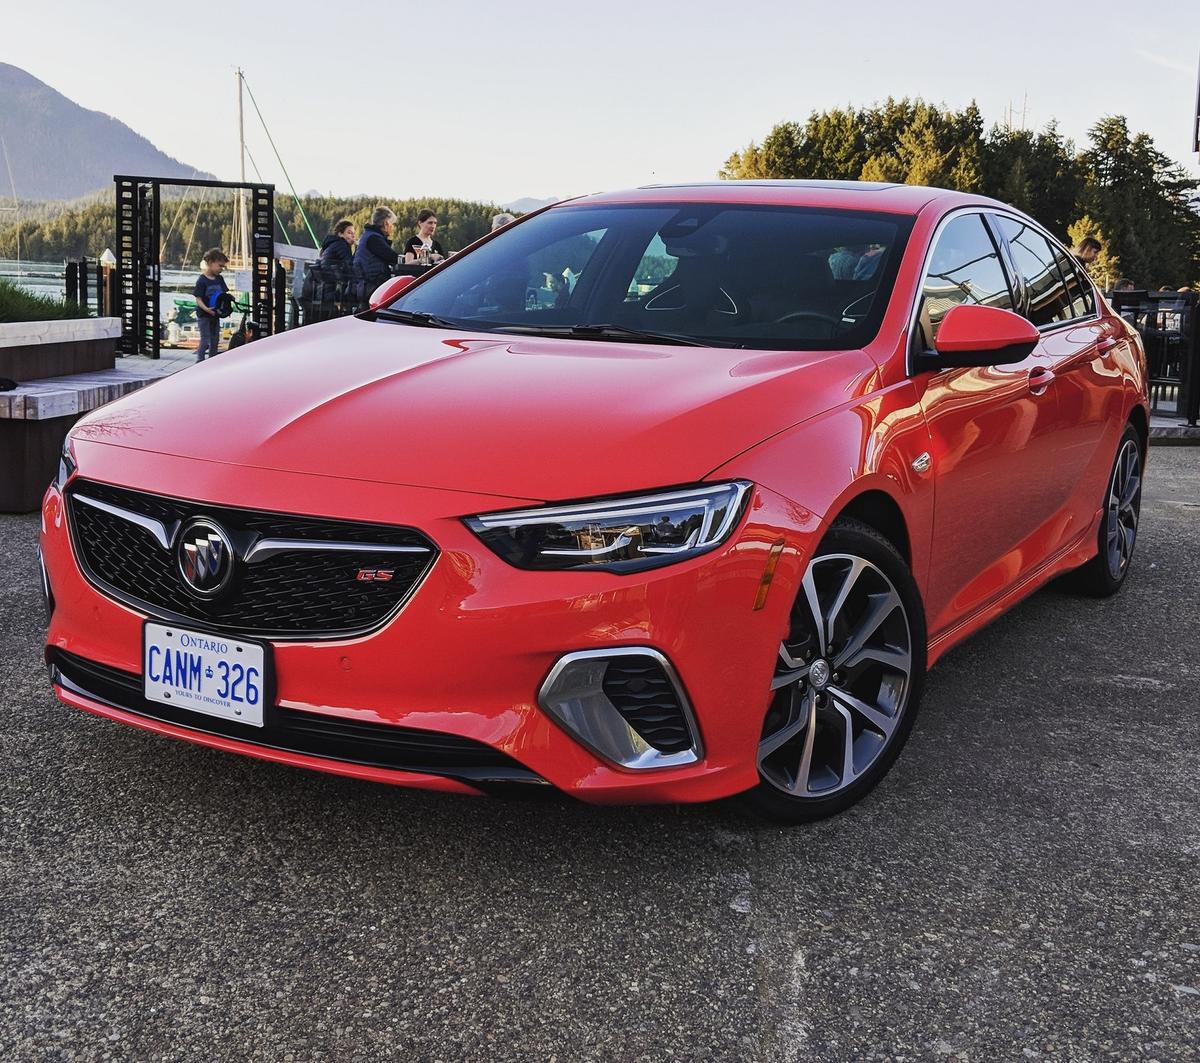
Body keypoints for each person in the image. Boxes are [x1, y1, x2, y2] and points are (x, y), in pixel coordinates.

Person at [193, 248, 229, 361]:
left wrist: (227, 307)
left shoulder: (219, 279)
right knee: (205, 339)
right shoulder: (202, 280)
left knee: (215, 340)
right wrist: (206, 309)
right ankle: (200, 361)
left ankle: (212, 361)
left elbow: (224, 294)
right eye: (220, 266)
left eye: (223, 267)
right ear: (210, 263)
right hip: (204, 314)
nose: (221, 269)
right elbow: (198, 299)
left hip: (215, 314)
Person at [353, 207, 400, 288]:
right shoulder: (374, 239)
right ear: (386, 223)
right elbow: (392, 257)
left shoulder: (367, 235)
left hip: (364, 283)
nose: (393, 227)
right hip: (372, 283)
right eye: (392, 224)